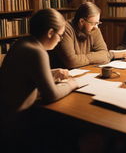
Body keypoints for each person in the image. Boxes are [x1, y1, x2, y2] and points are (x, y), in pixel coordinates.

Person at [0, 8, 85, 152]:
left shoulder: (23, 43)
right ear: (50, 33)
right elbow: (51, 95)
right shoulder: (37, 52)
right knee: (74, 128)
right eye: (60, 35)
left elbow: (28, 75)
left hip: (6, 116)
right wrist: (71, 84)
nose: (61, 39)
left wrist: (53, 73)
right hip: (18, 124)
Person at [49, 2, 111, 69]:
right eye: (93, 23)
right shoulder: (65, 29)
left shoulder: (94, 29)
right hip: (65, 74)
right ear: (81, 21)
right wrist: (95, 57)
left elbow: (105, 54)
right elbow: (71, 62)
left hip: (86, 71)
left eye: (97, 23)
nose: (96, 27)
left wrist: (81, 59)